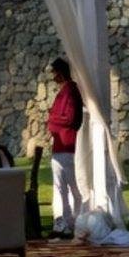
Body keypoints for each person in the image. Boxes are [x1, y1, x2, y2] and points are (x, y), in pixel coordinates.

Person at [47, 57, 84, 238]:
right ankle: (64, 223)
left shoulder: (71, 91)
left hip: (67, 144)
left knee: (74, 186)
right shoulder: (65, 91)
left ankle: (76, 220)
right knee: (60, 187)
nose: (53, 77)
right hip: (59, 145)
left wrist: (52, 119)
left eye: (54, 73)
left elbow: (70, 119)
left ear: (60, 73)